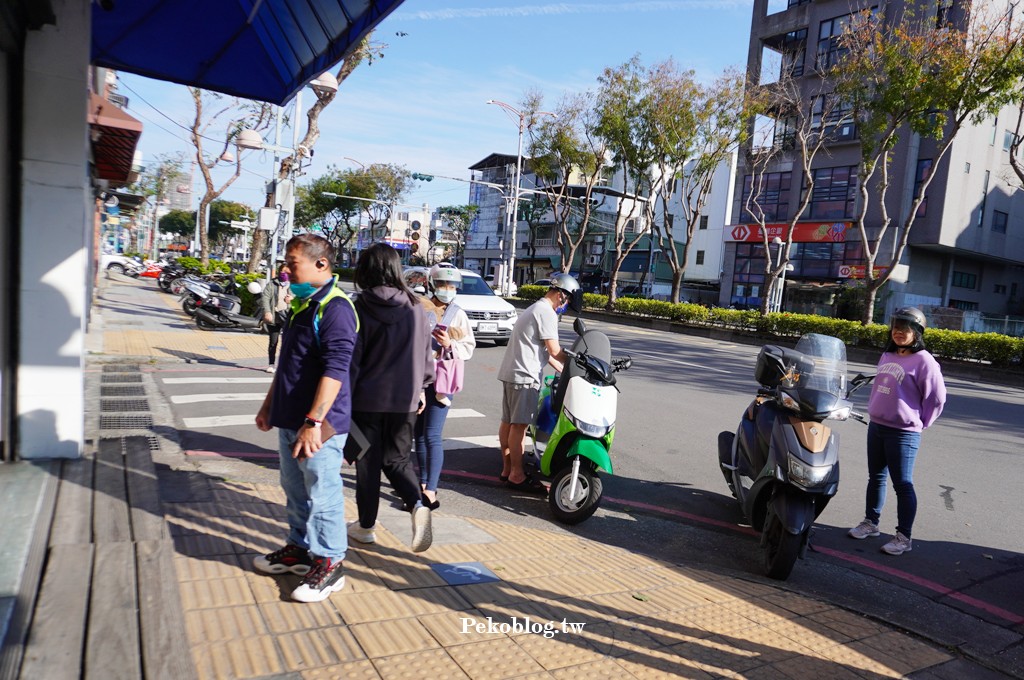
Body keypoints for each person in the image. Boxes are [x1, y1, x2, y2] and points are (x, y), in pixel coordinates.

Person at [253, 234, 358, 602]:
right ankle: (298, 548)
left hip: (318, 427)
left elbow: (335, 370)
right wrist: (270, 405)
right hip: (290, 418)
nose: (285, 269)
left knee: (323, 493)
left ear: (321, 265)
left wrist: (314, 422)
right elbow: (288, 365)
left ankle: (331, 563)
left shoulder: (335, 307)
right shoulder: (303, 303)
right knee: (294, 489)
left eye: (292, 262)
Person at [346, 243, 436, 552]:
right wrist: (423, 387)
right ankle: (416, 503)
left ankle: (366, 527)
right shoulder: (415, 307)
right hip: (405, 399)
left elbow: (351, 358)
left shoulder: (358, 306)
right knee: (397, 460)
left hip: (365, 400)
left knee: (367, 463)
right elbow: (427, 354)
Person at [848, 307, 947, 556]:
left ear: (917, 332)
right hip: (878, 426)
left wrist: (921, 423)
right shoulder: (888, 355)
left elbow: (936, 398)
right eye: (896, 327)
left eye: (906, 328)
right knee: (876, 477)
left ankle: (904, 537)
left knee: (902, 484)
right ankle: (871, 523)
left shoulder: (925, 361)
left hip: (903, 432)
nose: (899, 332)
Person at [496, 273, 581, 490]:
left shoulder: (535, 308)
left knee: (508, 423)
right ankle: (517, 474)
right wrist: (578, 362)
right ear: (561, 294)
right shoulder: (547, 313)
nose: (567, 304)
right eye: (568, 300)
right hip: (525, 376)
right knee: (519, 427)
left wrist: (565, 369)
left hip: (512, 373)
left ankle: (507, 469)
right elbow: (554, 349)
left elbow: (543, 351)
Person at [414, 264, 476, 508]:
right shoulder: (420, 307)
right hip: (419, 378)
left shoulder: (458, 314)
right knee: (418, 434)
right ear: (432, 285)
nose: (447, 290)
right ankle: (421, 482)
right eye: (442, 285)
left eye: (451, 286)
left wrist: (449, 343)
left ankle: (431, 489)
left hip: (443, 380)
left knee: (432, 434)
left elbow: (468, 347)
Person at [259, 266, 293, 373]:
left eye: (287, 271)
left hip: (287, 317)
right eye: (282, 271)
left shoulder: (294, 285)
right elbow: (265, 297)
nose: (284, 273)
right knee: (273, 341)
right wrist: (267, 311)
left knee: (288, 342)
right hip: (274, 316)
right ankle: (271, 364)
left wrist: (292, 299)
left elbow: (302, 298)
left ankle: (286, 364)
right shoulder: (272, 284)